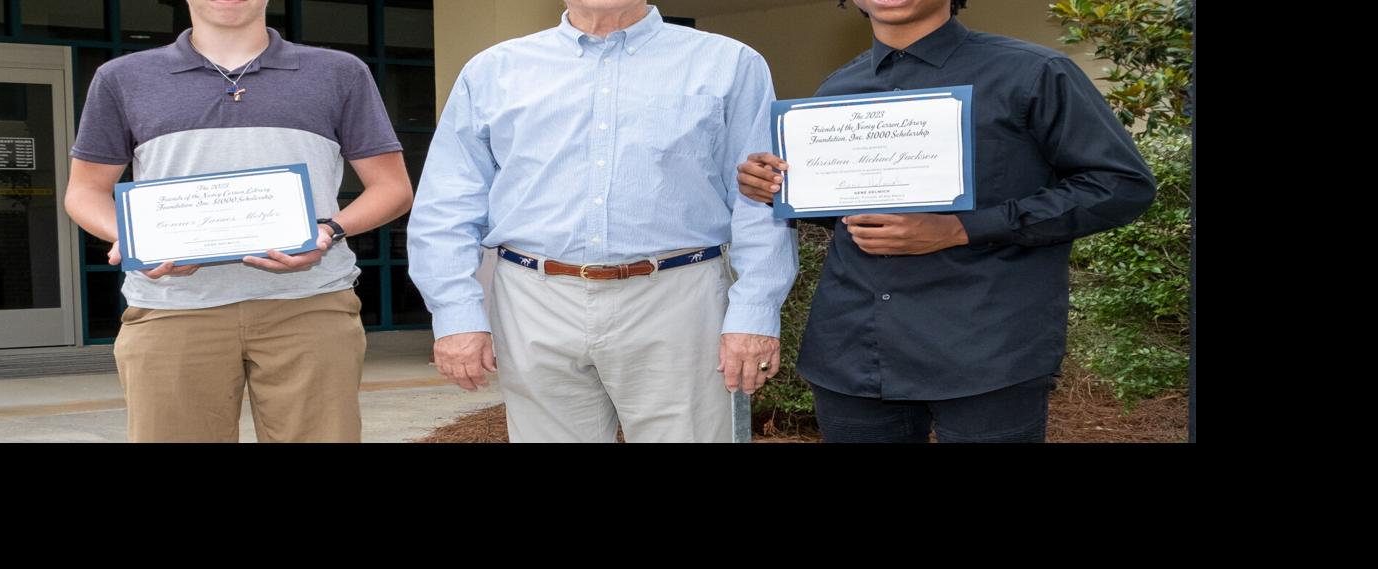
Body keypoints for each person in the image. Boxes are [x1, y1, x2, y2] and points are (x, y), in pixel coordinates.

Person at [738, 0, 1156, 442]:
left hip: (986, 352)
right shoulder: (837, 90)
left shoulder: (1033, 72)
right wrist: (779, 191)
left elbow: (1121, 186)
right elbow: (850, 214)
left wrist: (961, 228)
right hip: (852, 353)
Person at [408, 1, 797, 443]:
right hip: (533, 301)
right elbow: (447, 203)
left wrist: (754, 313)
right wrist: (456, 313)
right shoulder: (491, 71)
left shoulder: (730, 64)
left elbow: (760, 198)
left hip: (679, 299)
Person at [64, 0, 413, 442]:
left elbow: (393, 188)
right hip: (174, 308)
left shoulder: (339, 73)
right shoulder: (122, 78)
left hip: (309, 305)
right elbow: (84, 191)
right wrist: (134, 238)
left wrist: (328, 231)